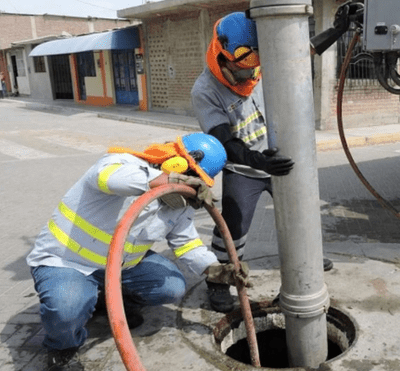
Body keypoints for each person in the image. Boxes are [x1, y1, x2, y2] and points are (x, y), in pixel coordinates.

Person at [26, 133, 250, 371]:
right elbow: (108, 179)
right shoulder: (123, 164)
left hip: (121, 266)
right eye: (190, 176)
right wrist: (163, 180)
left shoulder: (178, 202)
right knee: (67, 306)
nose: (190, 185)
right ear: (175, 163)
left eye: (196, 180)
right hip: (67, 261)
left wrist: (215, 270)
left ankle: (110, 300)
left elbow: (187, 243)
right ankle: (62, 350)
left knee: (171, 286)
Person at [191, 12, 333, 314]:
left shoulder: (259, 63)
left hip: (278, 160)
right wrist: (256, 160)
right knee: (234, 228)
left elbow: (303, 51)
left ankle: (305, 261)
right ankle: (219, 281)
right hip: (244, 169)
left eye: (253, 69)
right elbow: (223, 142)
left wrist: (340, 29)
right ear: (223, 56)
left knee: (302, 216)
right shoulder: (205, 90)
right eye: (242, 71)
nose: (250, 76)